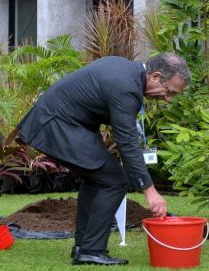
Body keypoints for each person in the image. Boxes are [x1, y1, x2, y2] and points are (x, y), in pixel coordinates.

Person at [13, 53, 191, 265]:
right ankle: (90, 250)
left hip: (63, 125)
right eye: (169, 91)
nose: (168, 98)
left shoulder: (126, 72)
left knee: (99, 178)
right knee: (115, 180)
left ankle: (84, 246)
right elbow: (126, 143)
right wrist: (150, 191)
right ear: (155, 76)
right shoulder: (127, 88)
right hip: (58, 126)